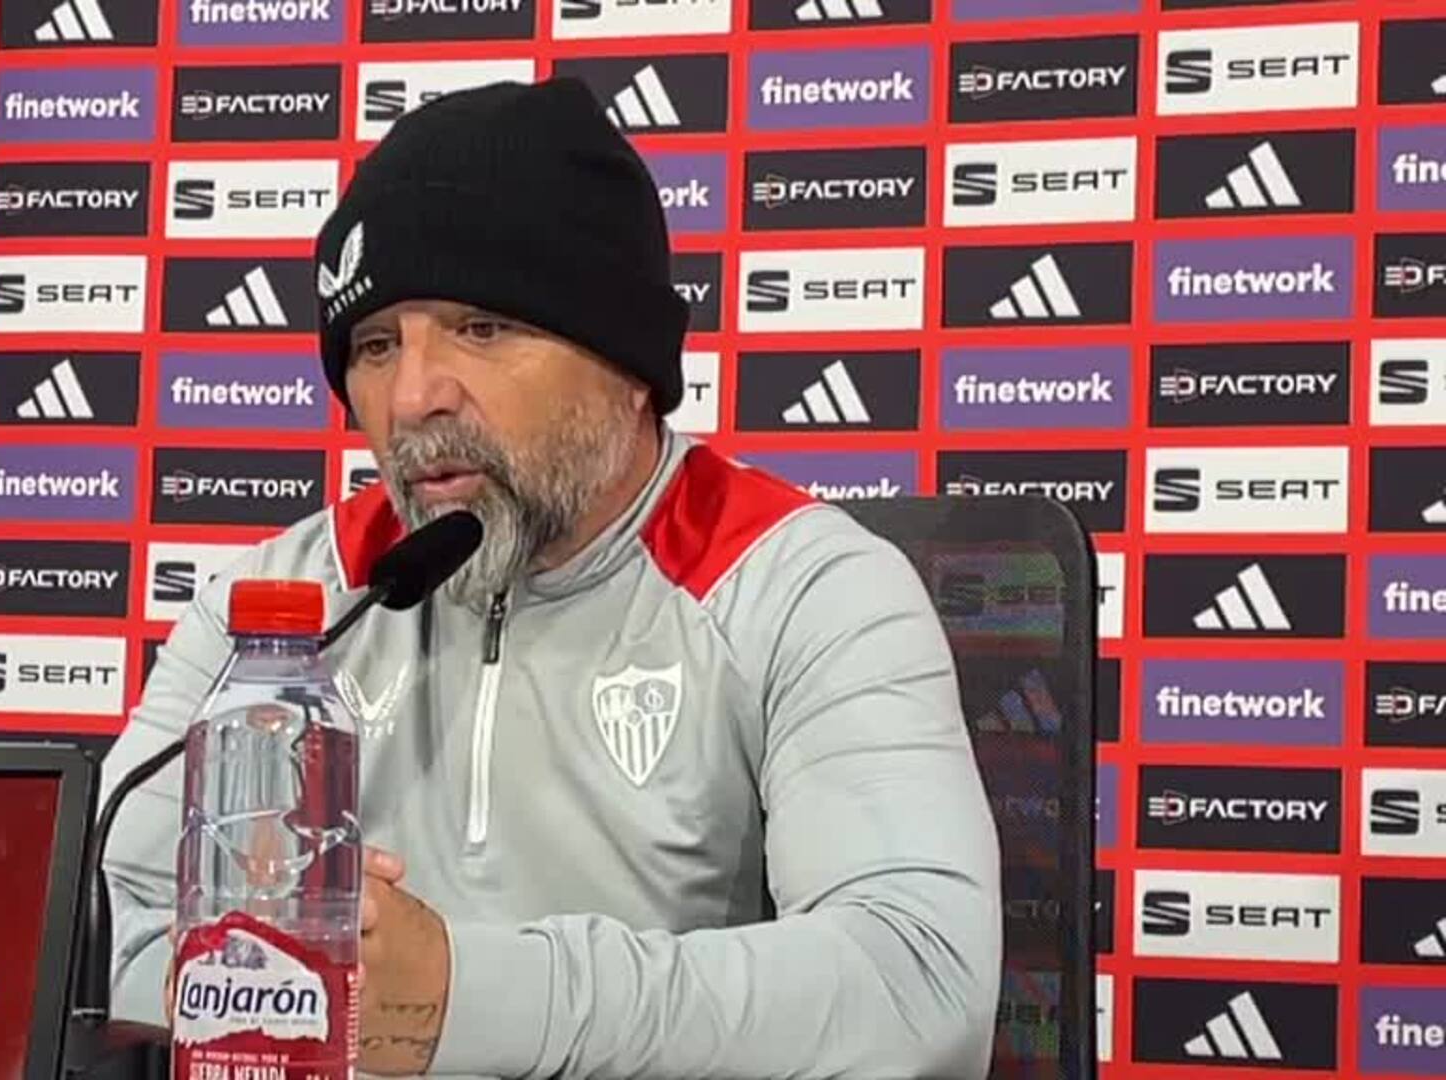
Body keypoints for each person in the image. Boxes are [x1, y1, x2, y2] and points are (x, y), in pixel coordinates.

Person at [99, 76, 1002, 1079]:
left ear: (628, 364)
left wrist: (462, 997)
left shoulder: (801, 586)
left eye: (482, 328)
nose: (413, 396)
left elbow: (918, 991)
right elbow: (91, 933)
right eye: (376, 345)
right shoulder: (284, 608)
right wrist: (286, 983)